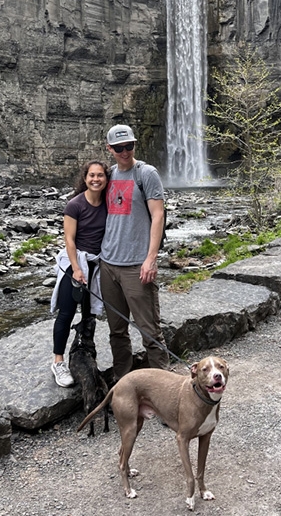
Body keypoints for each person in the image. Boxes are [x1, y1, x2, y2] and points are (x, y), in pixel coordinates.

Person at [100, 124, 169, 380]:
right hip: (108, 264)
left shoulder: (146, 174)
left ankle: (164, 391)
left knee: (150, 332)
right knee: (117, 331)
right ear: (109, 149)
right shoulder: (107, 175)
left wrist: (150, 259)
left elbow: (158, 215)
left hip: (136, 266)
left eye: (129, 146)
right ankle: (124, 385)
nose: (125, 151)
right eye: (119, 148)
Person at [50, 160, 109, 387]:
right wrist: (76, 269)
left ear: (106, 179)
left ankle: (85, 355)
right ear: (85, 178)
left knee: (88, 316)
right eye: (92, 175)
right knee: (66, 313)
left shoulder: (108, 204)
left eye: (100, 175)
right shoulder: (74, 205)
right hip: (75, 264)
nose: (96, 179)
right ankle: (58, 362)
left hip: (95, 265)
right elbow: (69, 240)